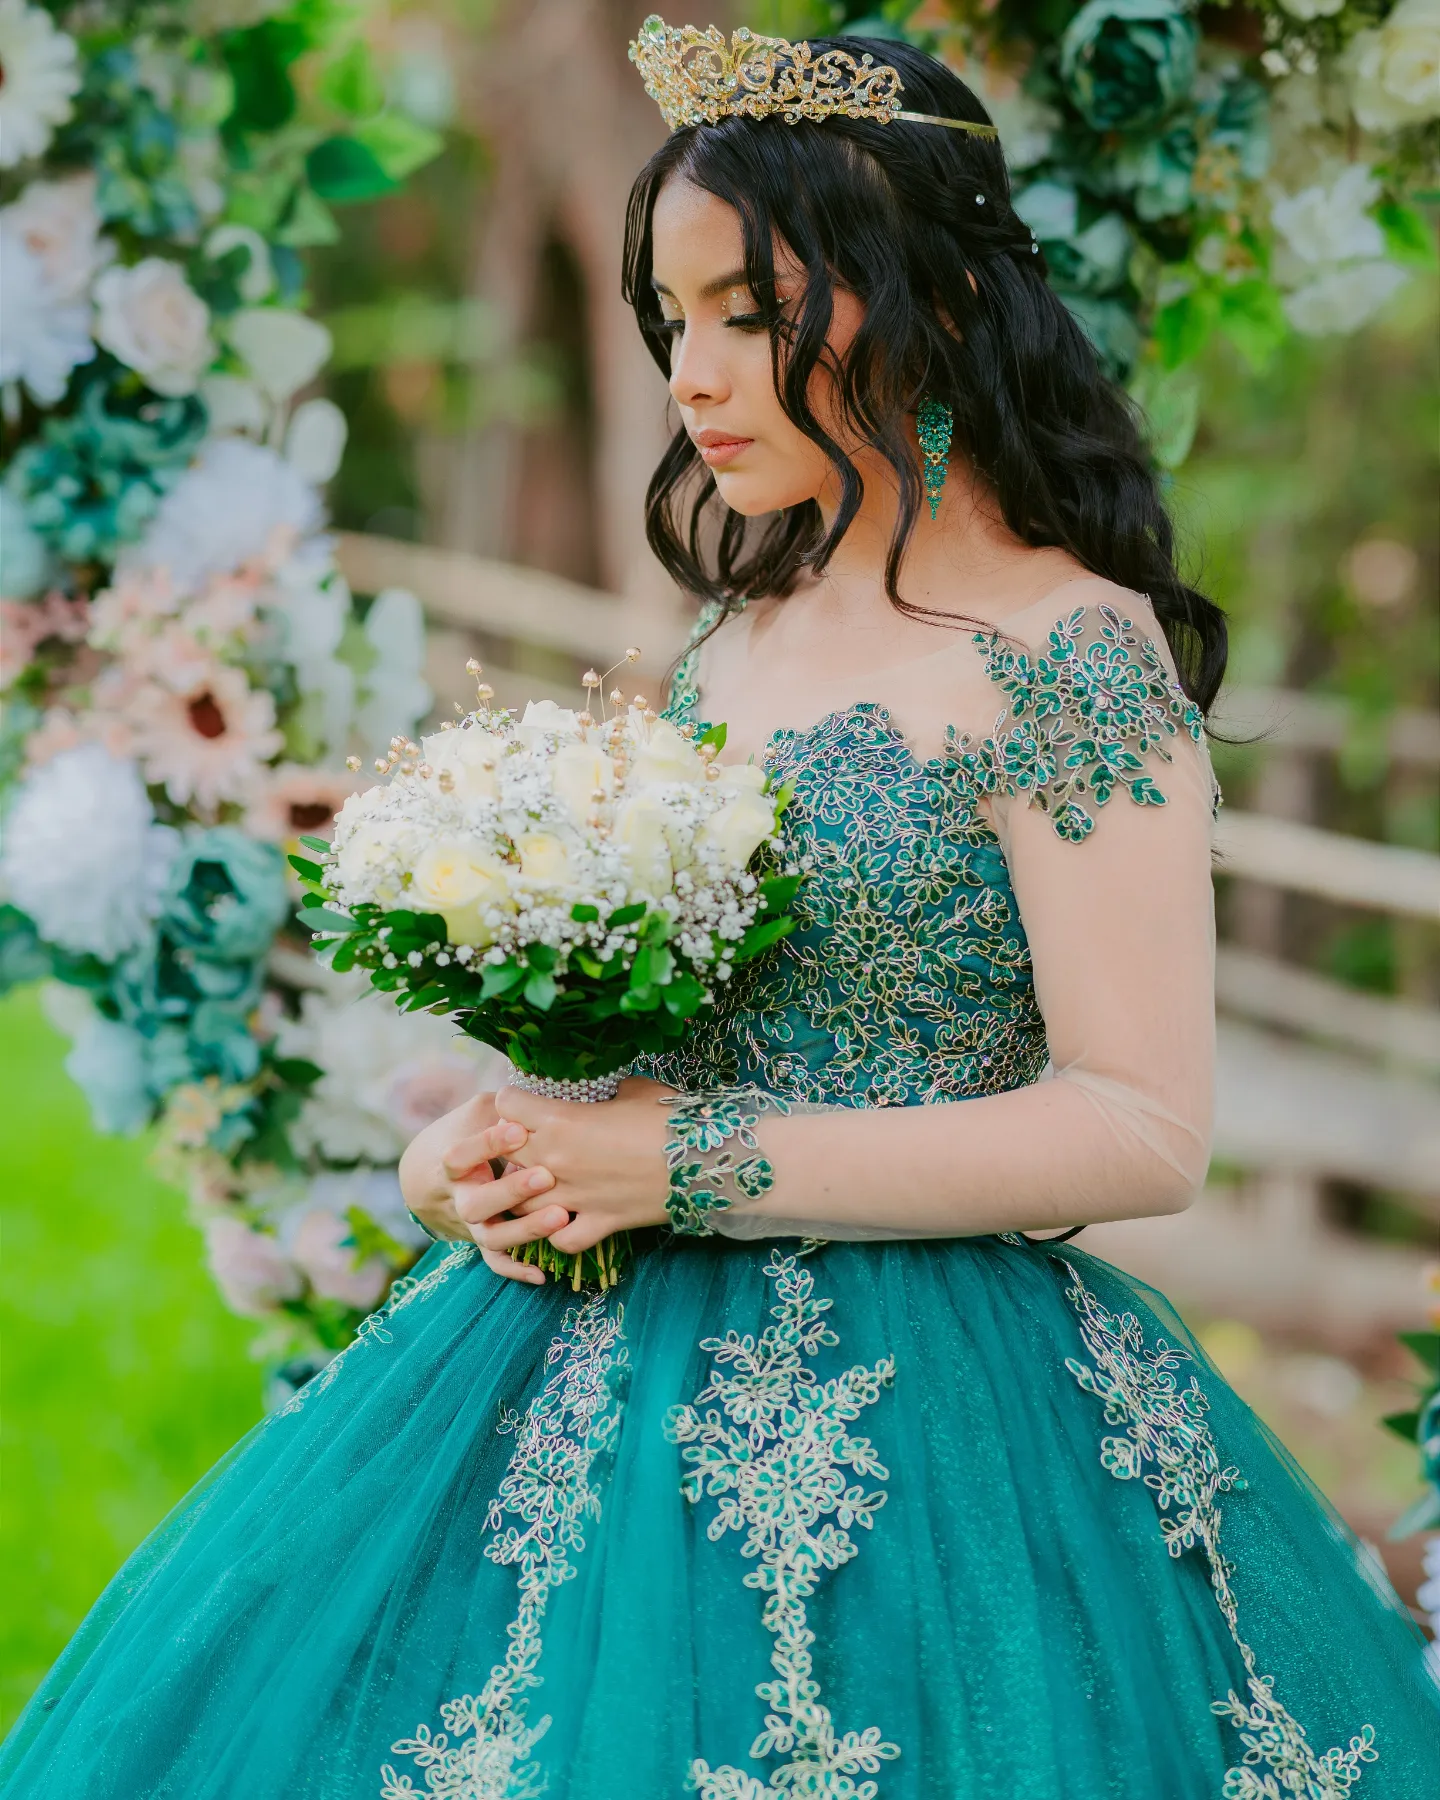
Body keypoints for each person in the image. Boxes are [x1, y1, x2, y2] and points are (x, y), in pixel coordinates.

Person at [3, 21, 1436, 1799]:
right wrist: (486, 1154)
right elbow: (675, 1040)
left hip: (946, 1431)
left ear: (931, 297)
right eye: (674, 317)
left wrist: (690, 1167)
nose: (696, 369)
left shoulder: (1070, 652)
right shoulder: (730, 636)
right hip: (580, 1383)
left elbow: (1142, 1125)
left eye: (751, 313)